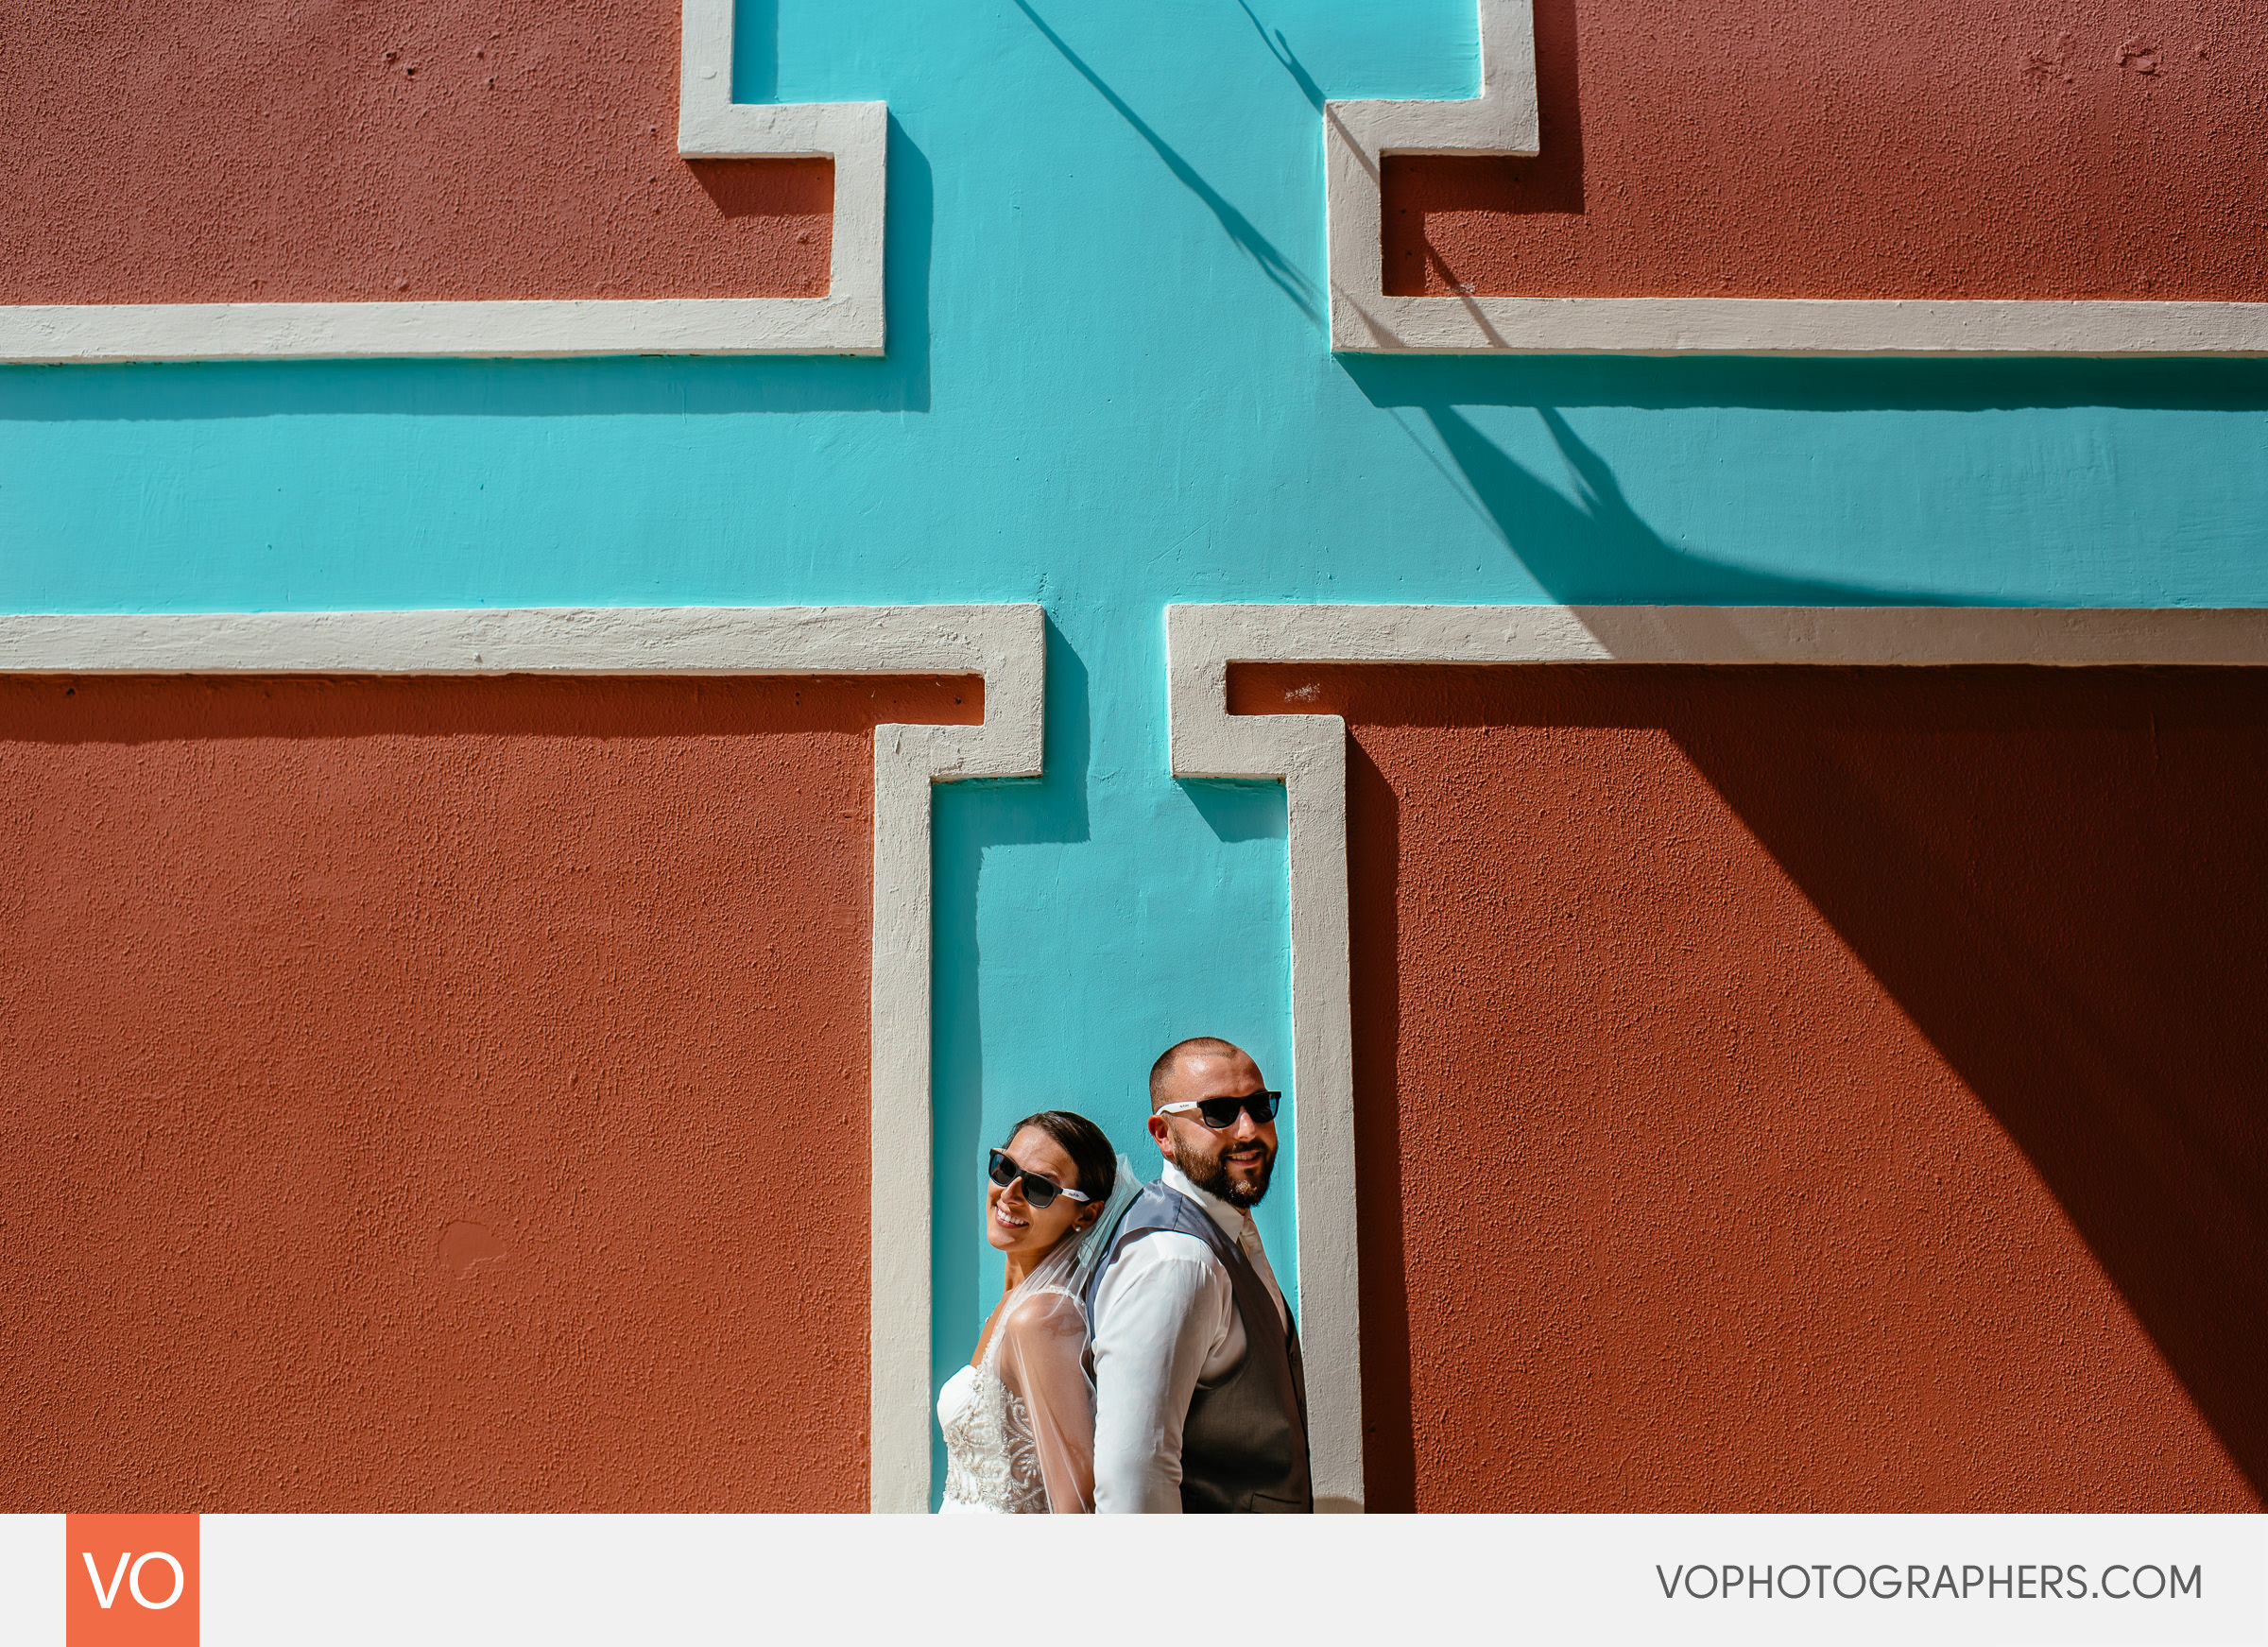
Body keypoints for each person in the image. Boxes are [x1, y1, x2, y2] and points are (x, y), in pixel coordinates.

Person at [1087, 1037, 1312, 1513]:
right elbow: (1134, 1480)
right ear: (1162, 1134)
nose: (1248, 1129)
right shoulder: (1176, 1263)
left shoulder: (1221, 1229)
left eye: (1259, 1106)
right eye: (1218, 1113)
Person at [936, 1109, 1132, 1513]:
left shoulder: (1042, 1321)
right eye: (1005, 1168)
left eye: (1040, 1188)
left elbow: (1077, 1507)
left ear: (1086, 1214)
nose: (1010, 1192)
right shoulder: (1017, 1297)